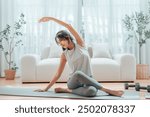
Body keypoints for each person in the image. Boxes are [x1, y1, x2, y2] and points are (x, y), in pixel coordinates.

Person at [35, 17, 124, 97]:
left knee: (92, 92)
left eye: (61, 41)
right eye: (59, 43)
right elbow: (58, 74)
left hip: (88, 80)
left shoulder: (80, 45)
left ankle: (67, 90)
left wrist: (51, 18)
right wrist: (46, 88)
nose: (60, 44)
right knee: (78, 73)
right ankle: (108, 90)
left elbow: (68, 26)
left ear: (67, 38)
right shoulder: (64, 55)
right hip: (74, 82)